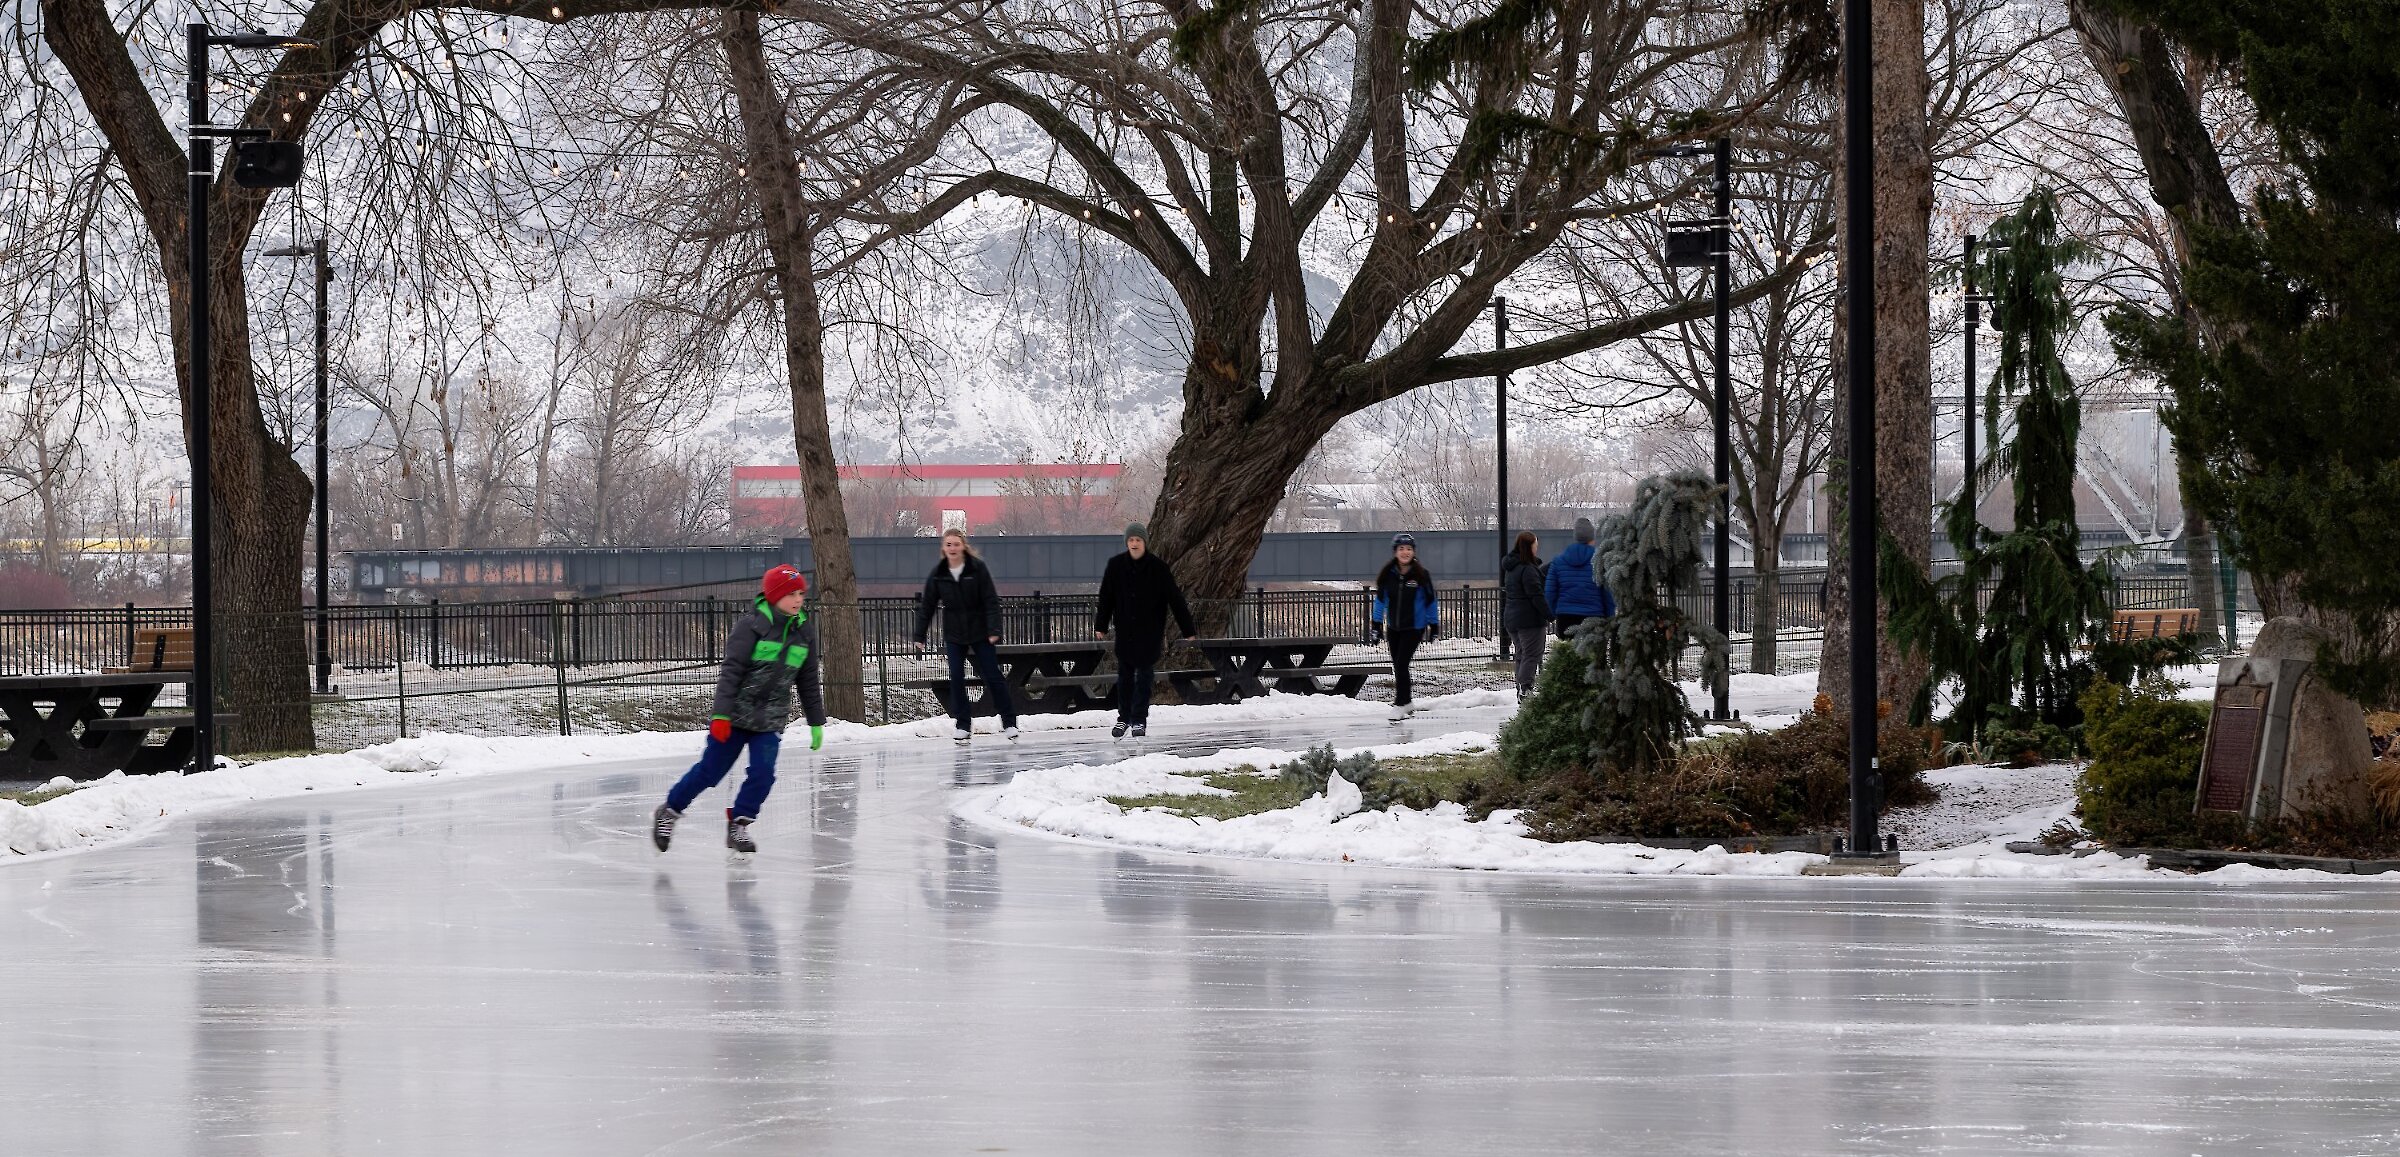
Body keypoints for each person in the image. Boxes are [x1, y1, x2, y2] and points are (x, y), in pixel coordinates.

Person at [651, 564, 826, 855]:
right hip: (734, 716)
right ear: (773, 596)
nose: (798, 600)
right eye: (790, 594)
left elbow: (808, 680)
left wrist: (816, 722)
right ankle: (669, 811)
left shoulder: (804, 632)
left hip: (769, 719)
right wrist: (720, 715)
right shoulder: (751, 626)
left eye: (800, 594)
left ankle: (739, 824)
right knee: (709, 771)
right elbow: (731, 672)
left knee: (763, 774)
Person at [915, 528, 1019, 743]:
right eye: (949, 544)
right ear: (944, 548)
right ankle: (963, 725)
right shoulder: (939, 573)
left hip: (980, 631)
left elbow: (990, 600)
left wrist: (994, 630)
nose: (953, 548)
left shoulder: (977, 569)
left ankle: (1009, 722)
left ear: (964, 546)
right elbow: (928, 606)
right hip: (955, 634)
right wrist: (920, 634)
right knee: (956, 677)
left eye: (956, 544)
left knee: (992, 675)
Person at [1094, 522, 1197, 740]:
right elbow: (1106, 598)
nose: (1134, 544)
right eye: (1131, 540)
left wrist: (1188, 629)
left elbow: (1175, 599)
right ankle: (1124, 718)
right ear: (1127, 542)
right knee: (1124, 677)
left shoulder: (1158, 568)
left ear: (1144, 543)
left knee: (1144, 676)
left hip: (1149, 632)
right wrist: (1100, 625)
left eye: (1138, 540)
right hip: (1125, 631)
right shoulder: (1116, 566)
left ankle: (1139, 718)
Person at [1369, 533, 1438, 722]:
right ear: (1395, 552)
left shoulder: (1422, 575)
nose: (1405, 552)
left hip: (1415, 627)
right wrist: (1376, 625)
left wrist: (1434, 625)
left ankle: (1400, 704)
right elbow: (1380, 602)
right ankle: (1407, 701)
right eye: (1401, 549)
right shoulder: (1387, 575)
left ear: (1413, 552)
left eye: (1408, 548)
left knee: (1401, 664)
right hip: (1393, 628)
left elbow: (1431, 601)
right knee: (1399, 666)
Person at [1544, 516, 1616, 637]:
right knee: (1592, 655)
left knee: (1568, 654)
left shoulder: (1558, 561)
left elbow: (1550, 592)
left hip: (1565, 617)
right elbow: (1607, 592)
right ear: (1592, 538)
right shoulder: (1600, 560)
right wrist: (1610, 616)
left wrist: (1557, 612)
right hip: (1594, 616)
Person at [1501, 531, 1550, 696]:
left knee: (1522, 654)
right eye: (1535, 544)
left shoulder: (1511, 568)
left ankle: (1521, 688)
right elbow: (1536, 595)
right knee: (1532, 653)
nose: (1537, 547)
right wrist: (1549, 614)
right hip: (1529, 620)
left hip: (1512, 619)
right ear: (1529, 547)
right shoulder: (1528, 570)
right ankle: (1525, 687)